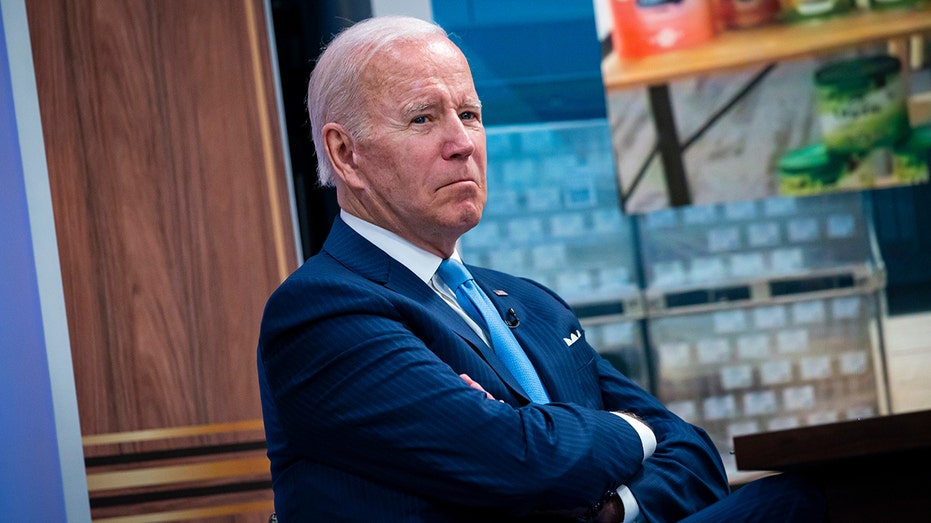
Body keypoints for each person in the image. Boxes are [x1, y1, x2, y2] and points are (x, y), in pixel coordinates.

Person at [257, 15, 825, 522]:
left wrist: (614, 506)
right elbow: (519, 459)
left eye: (470, 114)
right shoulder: (322, 311)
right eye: (424, 119)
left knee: (791, 499)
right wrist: (634, 430)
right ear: (345, 154)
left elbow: (693, 451)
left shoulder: (532, 303)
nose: (462, 144)